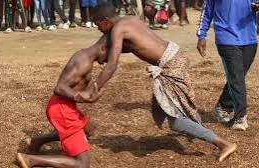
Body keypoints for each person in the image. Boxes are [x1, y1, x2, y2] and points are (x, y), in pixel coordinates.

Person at [84, 3, 237, 162]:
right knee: (170, 105)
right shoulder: (129, 20)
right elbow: (136, 45)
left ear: (105, 20)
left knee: (176, 122)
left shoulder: (117, 30)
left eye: (97, 24)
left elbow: (112, 66)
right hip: (174, 53)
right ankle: (195, 128)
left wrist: (94, 88)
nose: (98, 28)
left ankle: (222, 143)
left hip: (170, 64)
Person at [16, 36, 108, 168]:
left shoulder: (85, 57)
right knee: (83, 164)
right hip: (62, 109)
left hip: (63, 105)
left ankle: (36, 141)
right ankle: (30, 160)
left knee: (89, 129)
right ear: (104, 48)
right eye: (110, 56)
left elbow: (77, 85)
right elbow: (59, 88)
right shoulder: (84, 62)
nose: (108, 61)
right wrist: (83, 97)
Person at [196, 0, 259, 131]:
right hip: (226, 39)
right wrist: (202, 35)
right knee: (236, 77)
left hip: (250, 39)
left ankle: (223, 107)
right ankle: (240, 116)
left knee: (237, 76)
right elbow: (206, 12)